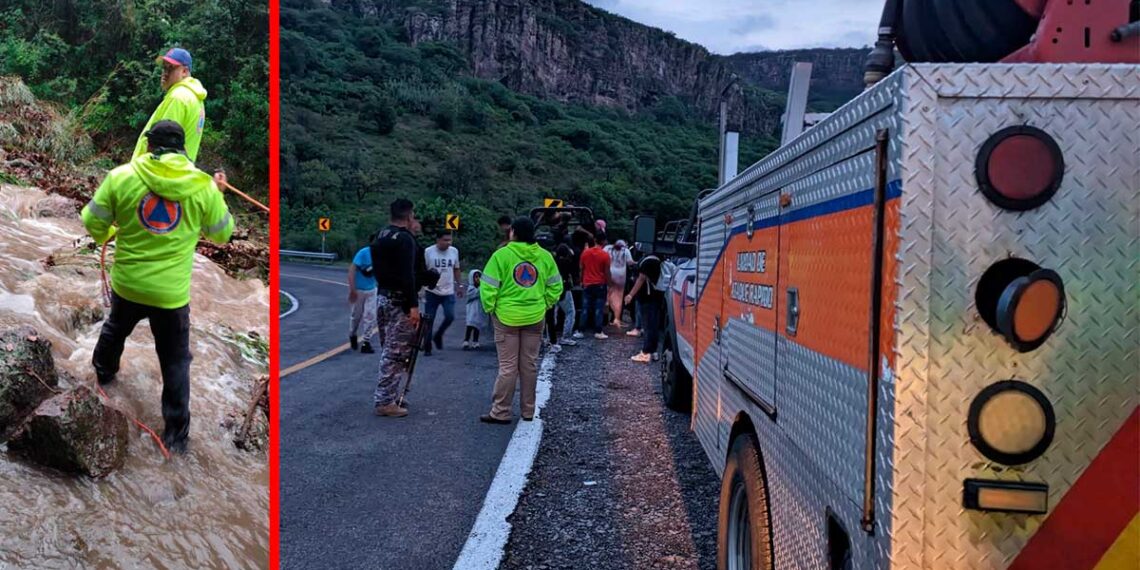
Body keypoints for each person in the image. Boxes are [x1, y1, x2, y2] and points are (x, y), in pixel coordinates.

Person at [82, 120, 234, 454]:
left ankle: (103, 377)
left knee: (115, 328)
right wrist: (219, 194)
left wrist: (109, 234)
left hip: (129, 284)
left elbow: (91, 220)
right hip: (171, 295)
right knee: (175, 360)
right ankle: (175, 438)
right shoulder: (203, 187)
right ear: (183, 149)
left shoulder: (121, 177)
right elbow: (222, 234)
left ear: (150, 146)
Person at [479, 217, 563, 424]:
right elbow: (556, 286)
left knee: (508, 366)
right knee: (529, 364)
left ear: (513, 232)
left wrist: (491, 308)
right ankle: (528, 411)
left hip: (506, 317)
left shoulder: (501, 255)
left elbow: (488, 286)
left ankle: (501, 412)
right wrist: (545, 304)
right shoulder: (545, 256)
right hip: (535, 316)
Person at [370, 199, 422, 418]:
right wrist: (413, 305)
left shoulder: (379, 236)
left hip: (382, 296)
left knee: (389, 348)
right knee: (396, 352)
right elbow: (407, 275)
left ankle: (391, 394)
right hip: (400, 301)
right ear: (409, 216)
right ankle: (384, 401)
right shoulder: (405, 240)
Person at [133, 48, 208, 164]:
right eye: (164, 68)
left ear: (184, 71)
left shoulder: (178, 98)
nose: (165, 73)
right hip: (180, 170)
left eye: (171, 68)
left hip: (160, 171)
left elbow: (162, 143)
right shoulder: (196, 98)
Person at [422, 231, 462, 356]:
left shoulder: (454, 251)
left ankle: (438, 335)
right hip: (432, 291)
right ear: (438, 240)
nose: (448, 243)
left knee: (450, 316)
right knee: (429, 319)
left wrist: (459, 285)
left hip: (448, 291)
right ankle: (427, 345)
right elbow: (423, 270)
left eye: (450, 240)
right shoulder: (428, 252)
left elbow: (456, 268)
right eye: (445, 240)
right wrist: (421, 287)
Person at [625, 251, 666, 363]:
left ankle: (646, 352)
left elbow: (641, 278)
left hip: (647, 298)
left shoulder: (648, 261)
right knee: (654, 325)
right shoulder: (659, 260)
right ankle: (653, 351)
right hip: (657, 296)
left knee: (648, 325)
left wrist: (630, 295)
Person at [347, 238, 378, 354]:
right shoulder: (363, 253)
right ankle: (352, 334)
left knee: (370, 316)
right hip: (359, 289)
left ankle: (366, 342)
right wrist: (352, 290)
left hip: (372, 289)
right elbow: (351, 271)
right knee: (356, 316)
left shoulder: (382, 255)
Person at [579, 231, 611, 339]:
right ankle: (598, 331)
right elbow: (607, 272)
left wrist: (581, 280)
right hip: (600, 284)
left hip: (587, 283)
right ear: (604, 241)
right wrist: (609, 284)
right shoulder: (605, 255)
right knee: (598, 309)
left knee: (585, 308)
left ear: (595, 240)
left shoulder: (585, 253)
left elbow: (581, 269)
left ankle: (580, 330)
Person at [604, 239, 634, 327]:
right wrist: (637, 262)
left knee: (607, 297)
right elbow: (630, 262)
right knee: (619, 299)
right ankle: (616, 319)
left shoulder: (607, 248)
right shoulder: (626, 250)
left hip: (609, 275)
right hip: (621, 277)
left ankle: (605, 319)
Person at [553, 242, 578, 346]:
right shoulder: (567, 262)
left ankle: (550, 338)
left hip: (553, 290)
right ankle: (566, 337)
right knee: (570, 312)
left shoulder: (553, 262)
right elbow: (574, 262)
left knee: (552, 314)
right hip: (565, 288)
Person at [463, 270, 488, 350]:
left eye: (479, 277)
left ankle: (475, 341)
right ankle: (466, 341)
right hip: (472, 310)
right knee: (470, 325)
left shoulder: (482, 288)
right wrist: (481, 289)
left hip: (479, 309)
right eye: (476, 277)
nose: (478, 279)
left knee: (477, 326)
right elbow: (474, 294)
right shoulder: (471, 288)